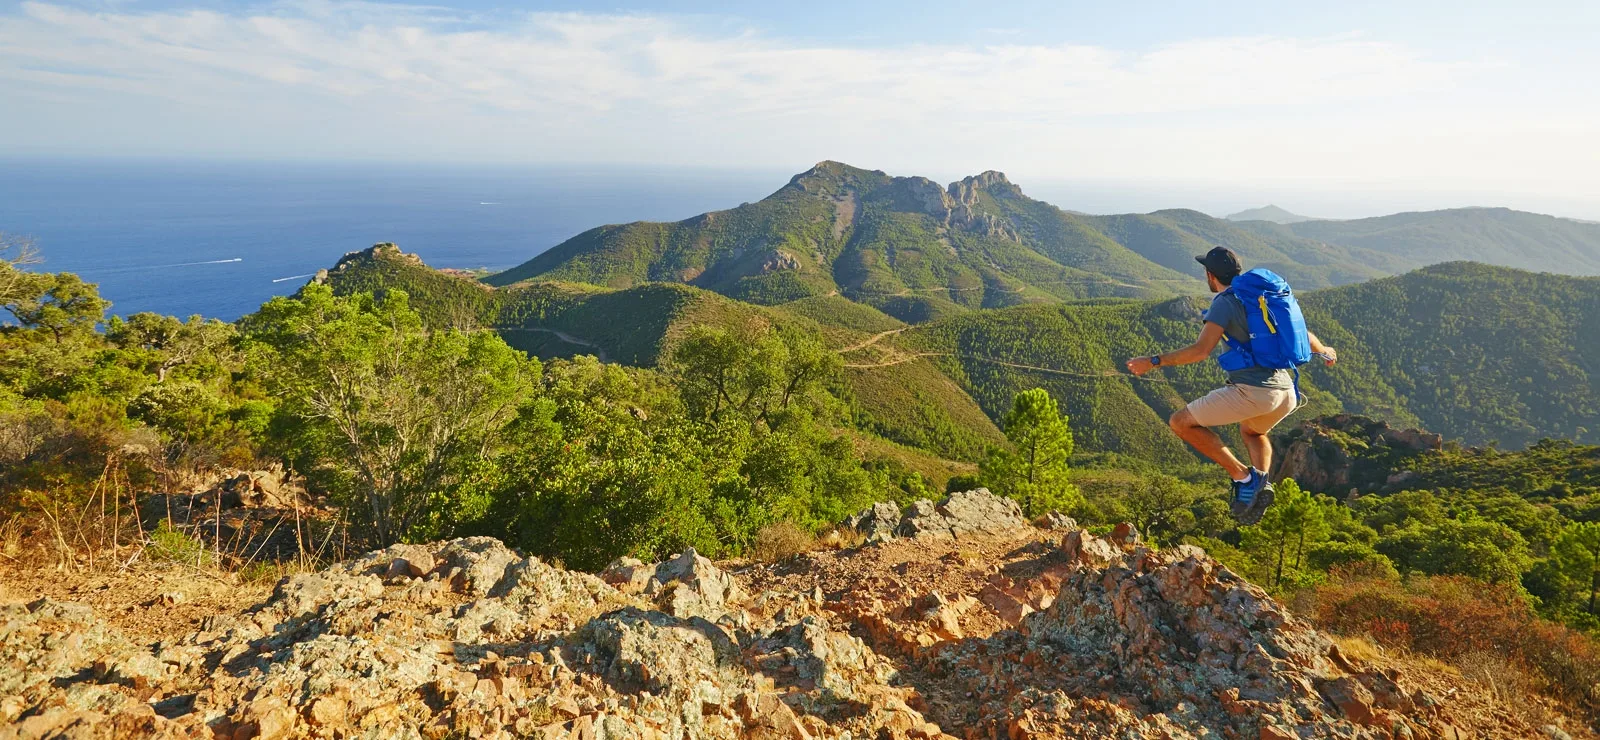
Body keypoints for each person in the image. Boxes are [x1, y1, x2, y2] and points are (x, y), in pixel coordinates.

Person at [1124, 247, 1337, 524]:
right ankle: (1261, 481)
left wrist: (1153, 361)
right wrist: (1324, 350)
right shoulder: (1260, 297)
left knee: (1180, 422)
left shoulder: (1224, 302)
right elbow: (1300, 332)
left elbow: (1201, 350)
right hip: (1286, 393)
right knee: (1252, 432)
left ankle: (1243, 476)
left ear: (1211, 276)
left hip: (1254, 392)